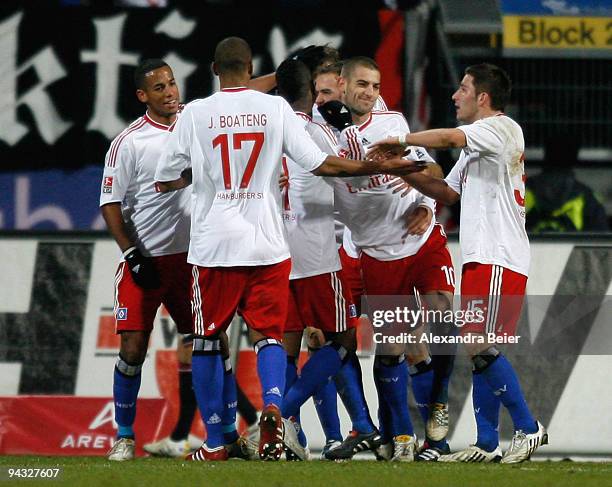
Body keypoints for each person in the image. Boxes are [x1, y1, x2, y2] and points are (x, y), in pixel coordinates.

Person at [154, 37, 425, 462]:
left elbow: (165, 177)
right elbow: (324, 165)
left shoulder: (195, 114)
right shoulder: (281, 113)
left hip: (215, 245)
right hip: (276, 245)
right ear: (249, 64)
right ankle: (279, 409)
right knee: (285, 339)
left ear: (213, 68)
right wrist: (377, 167)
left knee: (207, 339)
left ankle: (216, 442)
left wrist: (197, 176)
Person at [368, 62, 549, 463]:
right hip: (482, 255)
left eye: (463, 89)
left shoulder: (500, 128)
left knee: (475, 341)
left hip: (499, 255)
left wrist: (400, 139)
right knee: (483, 349)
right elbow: (446, 194)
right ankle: (486, 443)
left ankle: (528, 426)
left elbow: (449, 136)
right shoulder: (476, 148)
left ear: (482, 98)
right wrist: (401, 169)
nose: (455, 95)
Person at [101, 59, 273, 462]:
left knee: (211, 340)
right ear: (143, 95)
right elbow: (109, 202)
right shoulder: (130, 142)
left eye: (172, 83)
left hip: (192, 259)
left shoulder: (196, 119)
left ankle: (228, 432)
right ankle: (124, 436)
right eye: (159, 87)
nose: (170, 92)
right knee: (132, 348)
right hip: (144, 260)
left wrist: (285, 73)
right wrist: (131, 253)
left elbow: (238, 96)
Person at [319, 56, 456, 462]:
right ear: (342, 86)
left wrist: (427, 203)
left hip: (419, 235)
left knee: (442, 313)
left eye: (375, 86)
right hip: (375, 252)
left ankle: (439, 405)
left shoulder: (392, 121)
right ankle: (397, 436)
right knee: (393, 346)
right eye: (362, 84)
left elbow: (431, 166)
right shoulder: (318, 133)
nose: (369, 93)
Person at [525, 131, 609, 232]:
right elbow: (599, 239)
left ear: (546, 154)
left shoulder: (521, 190)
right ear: (575, 158)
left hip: (528, 247)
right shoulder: (588, 197)